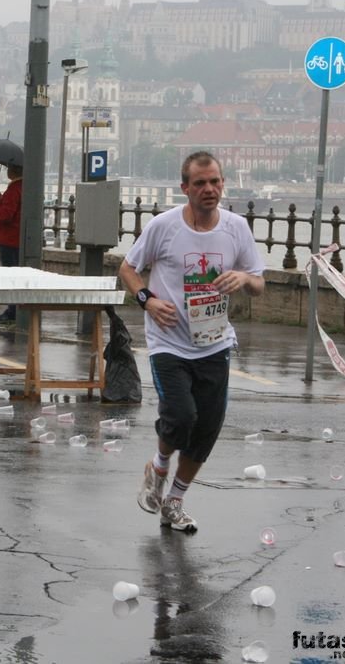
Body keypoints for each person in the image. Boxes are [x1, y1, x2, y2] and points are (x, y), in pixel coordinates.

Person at [120, 150, 265, 534]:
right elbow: (128, 268)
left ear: (223, 184)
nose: (209, 189)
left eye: (215, 181)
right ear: (184, 188)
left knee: (206, 428)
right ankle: (158, 465)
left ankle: (175, 501)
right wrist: (147, 301)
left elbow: (258, 283)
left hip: (215, 341)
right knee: (182, 417)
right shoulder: (164, 227)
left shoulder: (235, 228)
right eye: (200, 183)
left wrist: (242, 279)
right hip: (169, 341)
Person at [0, 163, 23, 323]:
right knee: (16, 274)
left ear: (14, 170)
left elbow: (5, 215)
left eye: (9, 167)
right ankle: (15, 309)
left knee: (11, 275)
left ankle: (12, 311)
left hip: (9, 239)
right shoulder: (24, 187)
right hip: (18, 239)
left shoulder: (15, 188)